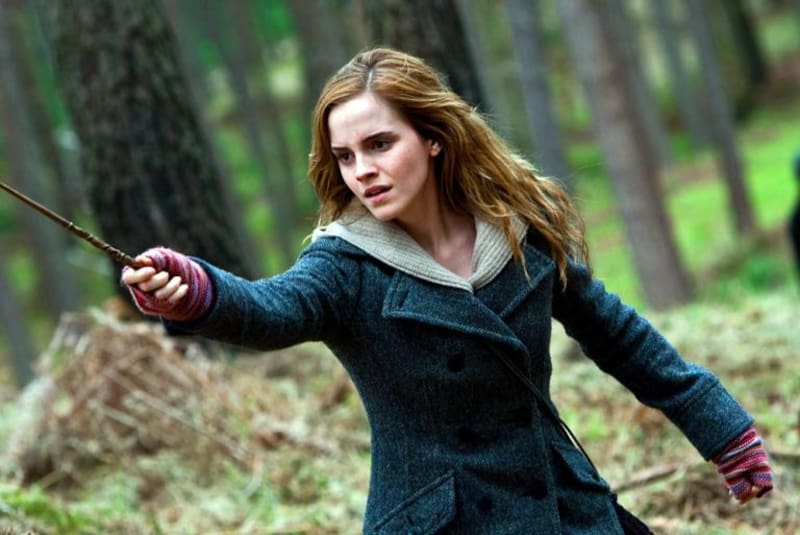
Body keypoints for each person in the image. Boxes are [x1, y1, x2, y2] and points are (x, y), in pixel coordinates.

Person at [122, 47, 773, 534]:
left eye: (380, 144)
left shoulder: (519, 232)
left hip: (559, 504)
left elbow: (620, 338)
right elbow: (271, 309)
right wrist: (193, 290)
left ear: (432, 139)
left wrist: (722, 430)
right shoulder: (345, 262)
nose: (363, 170)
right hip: (438, 521)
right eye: (346, 156)